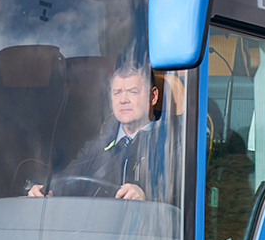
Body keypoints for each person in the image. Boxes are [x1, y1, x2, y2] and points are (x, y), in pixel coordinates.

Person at [29, 61, 170, 201]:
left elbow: (181, 198)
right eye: (117, 93)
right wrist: (47, 189)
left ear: (153, 97)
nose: (123, 100)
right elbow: (68, 179)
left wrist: (148, 197)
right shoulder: (96, 146)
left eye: (132, 92)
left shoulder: (171, 145)